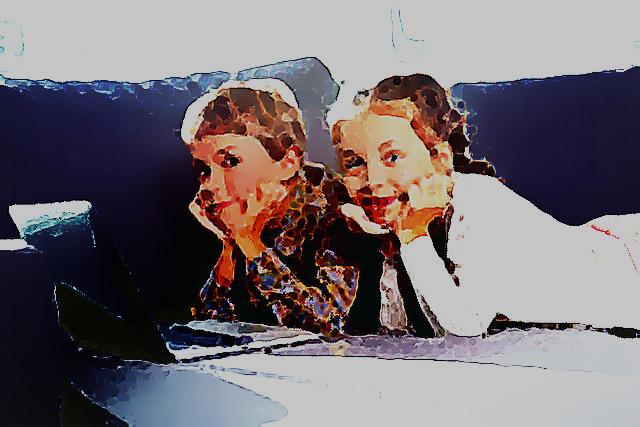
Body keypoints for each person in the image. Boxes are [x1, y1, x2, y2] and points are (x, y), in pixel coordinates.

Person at [329, 73, 640, 338]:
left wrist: (412, 235)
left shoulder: (480, 206)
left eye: (392, 157)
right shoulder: (387, 222)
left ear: (440, 159)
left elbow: (464, 324)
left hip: (623, 277)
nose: (373, 179)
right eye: (355, 163)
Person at [180, 78, 383, 337]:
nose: (211, 184)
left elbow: (327, 327)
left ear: (287, 162)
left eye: (230, 162)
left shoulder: (335, 208)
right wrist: (230, 246)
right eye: (204, 169)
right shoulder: (239, 212)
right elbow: (211, 327)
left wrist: (249, 243)